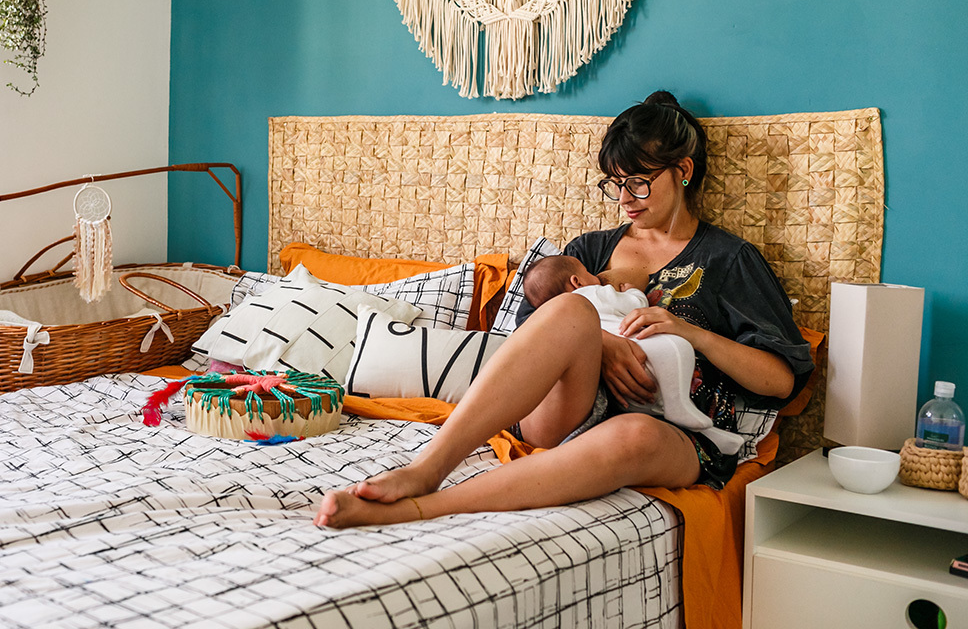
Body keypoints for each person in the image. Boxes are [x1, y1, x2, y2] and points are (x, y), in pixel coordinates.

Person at [314, 91, 814, 529]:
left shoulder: (728, 259)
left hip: (670, 432)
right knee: (573, 311)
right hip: (562, 413)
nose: (624, 199)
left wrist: (690, 331)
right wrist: (602, 343)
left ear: (682, 171)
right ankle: (428, 467)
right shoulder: (587, 253)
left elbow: (779, 382)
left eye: (638, 182)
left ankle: (421, 509)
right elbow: (527, 343)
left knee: (634, 436)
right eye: (614, 183)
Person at [523, 254, 745, 454]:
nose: (597, 277)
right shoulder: (592, 293)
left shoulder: (548, 319)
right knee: (679, 346)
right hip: (645, 356)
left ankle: (692, 422)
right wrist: (632, 291)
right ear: (576, 281)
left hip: (621, 391)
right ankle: (680, 405)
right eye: (589, 273)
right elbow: (635, 306)